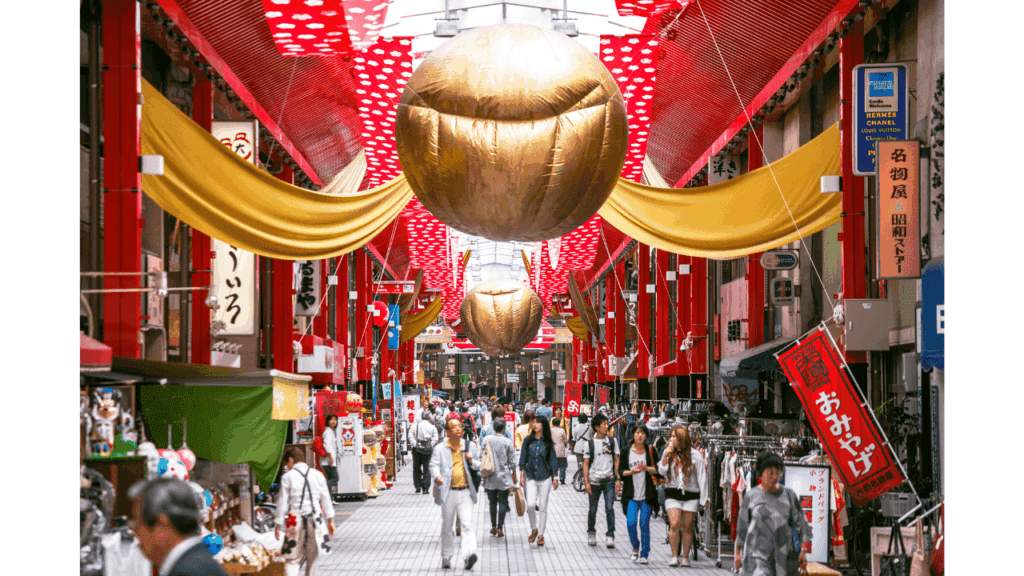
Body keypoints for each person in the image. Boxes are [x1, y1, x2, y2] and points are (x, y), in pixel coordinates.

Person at [128, 477, 228, 576]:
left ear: (162, 525)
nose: (134, 532)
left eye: (137, 523)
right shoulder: (198, 562)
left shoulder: (185, 571)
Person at [735, 451, 812, 576]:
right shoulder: (751, 496)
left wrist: (803, 550)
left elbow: (801, 526)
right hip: (756, 558)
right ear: (760, 473)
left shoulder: (789, 496)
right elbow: (742, 528)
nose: (774, 477)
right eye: (770, 473)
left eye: (777, 473)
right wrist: (737, 554)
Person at [429, 418, 481, 571]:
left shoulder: (469, 445)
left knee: (466, 524)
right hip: (448, 491)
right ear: (447, 432)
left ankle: (468, 555)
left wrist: (471, 461)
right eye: (454, 427)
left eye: (460, 426)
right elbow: (433, 464)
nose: (458, 429)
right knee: (447, 525)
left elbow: (479, 464)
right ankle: (446, 556)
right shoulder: (440, 448)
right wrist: (437, 476)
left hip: (466, 491)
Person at [276, 447, 335, 576]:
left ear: (291, 460)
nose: (287, 467)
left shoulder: (287, 477)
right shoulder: (317, 475)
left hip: (294, 520)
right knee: (313, 558)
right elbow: (325, 499)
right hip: (316, 519)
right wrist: (330, 520)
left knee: (292, 559)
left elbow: (282, 503)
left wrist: (278, 524)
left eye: (287, 464)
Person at [657, 426, 708, 567]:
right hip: (672, 492)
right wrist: (666, 456)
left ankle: (685, 557)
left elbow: (702, 477)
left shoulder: (695, 455)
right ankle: (675, 556)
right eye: (671, 436)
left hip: (691, 494)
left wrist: (704, 499)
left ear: (683, 439)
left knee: (687, 526)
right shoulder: (668, 453)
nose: (672, 440)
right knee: (674, 524)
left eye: (676, 437)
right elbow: (661, 471)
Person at [619, 424, 661, 565]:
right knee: (631, 522)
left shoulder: (650, 450)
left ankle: (644, 553)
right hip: (631, 494)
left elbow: (658, 470)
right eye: (637, 432)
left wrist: (646, 468)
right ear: (633, 435)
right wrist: (632, 472)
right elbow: (621, 471)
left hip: (647, 494)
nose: (640, 435)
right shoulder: (626, 451)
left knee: (644, 524)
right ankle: (635, 546)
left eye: (643, 433)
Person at [579, 412, 620, 548]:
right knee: (592, 509)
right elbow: (585, 463)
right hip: (594, 480)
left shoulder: (613, 441)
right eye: (603, 424)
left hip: (609, 480)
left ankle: (610, 535)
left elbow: (616, 460)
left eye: (607, 424)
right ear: (596, 427)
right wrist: (586, 482)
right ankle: (591, 532)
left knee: (610, 508)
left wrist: (618, 479)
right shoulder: (589, 444)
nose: (606, 426)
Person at [519, 415, 559, 546]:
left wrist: (555, 477)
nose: (535, 424)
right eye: (534, 422)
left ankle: (541, 534)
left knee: (543, 506)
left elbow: (553, 459)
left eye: (538, 423)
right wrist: (521, 474)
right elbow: (523, 457)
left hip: (545, 477)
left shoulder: (548, 442)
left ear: (544, 426)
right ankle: (534, 529)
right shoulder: (527, 440)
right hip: (530, 476)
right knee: (530, 504)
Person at [481, 418, 517, 538]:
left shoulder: (487, 439)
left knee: (492, 503)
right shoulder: (507, 442)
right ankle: (500, 527)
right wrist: (514, 473)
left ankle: (493, 526)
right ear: (504, 428)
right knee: (502, 502)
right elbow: (512, 462)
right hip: (503, 476)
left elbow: (481, 455)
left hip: (489, 475)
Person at [408, 408, 440, 495]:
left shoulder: (415, 426)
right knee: (427, 469)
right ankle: (425, 488)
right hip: (428, 450)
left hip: (416, 450)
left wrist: (415, 444)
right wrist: (430, 445)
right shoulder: (432, 427)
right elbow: (435, 438)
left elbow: (410, 435)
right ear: (429, 418)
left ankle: (418, 487)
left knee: (416, 468)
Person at [319, 414, 339, 501]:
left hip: (328, 460)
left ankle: (329, 499)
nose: (333, 421)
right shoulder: (327, 432)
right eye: (331, 419)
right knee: (335, 478)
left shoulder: (331, 431)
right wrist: (331, 457)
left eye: (335, 419)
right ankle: (323, 490)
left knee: (330, 478)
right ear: (327, 421)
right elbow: (326, 445)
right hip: (328, 460)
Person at [550, 416, 569, 484]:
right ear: (559, 424)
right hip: (561, 450)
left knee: (552, 465)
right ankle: (562, 478)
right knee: (562, 465)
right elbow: (565, 440)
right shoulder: (562, 431)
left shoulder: (550, 430)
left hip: (552, 451)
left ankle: (553, 477)